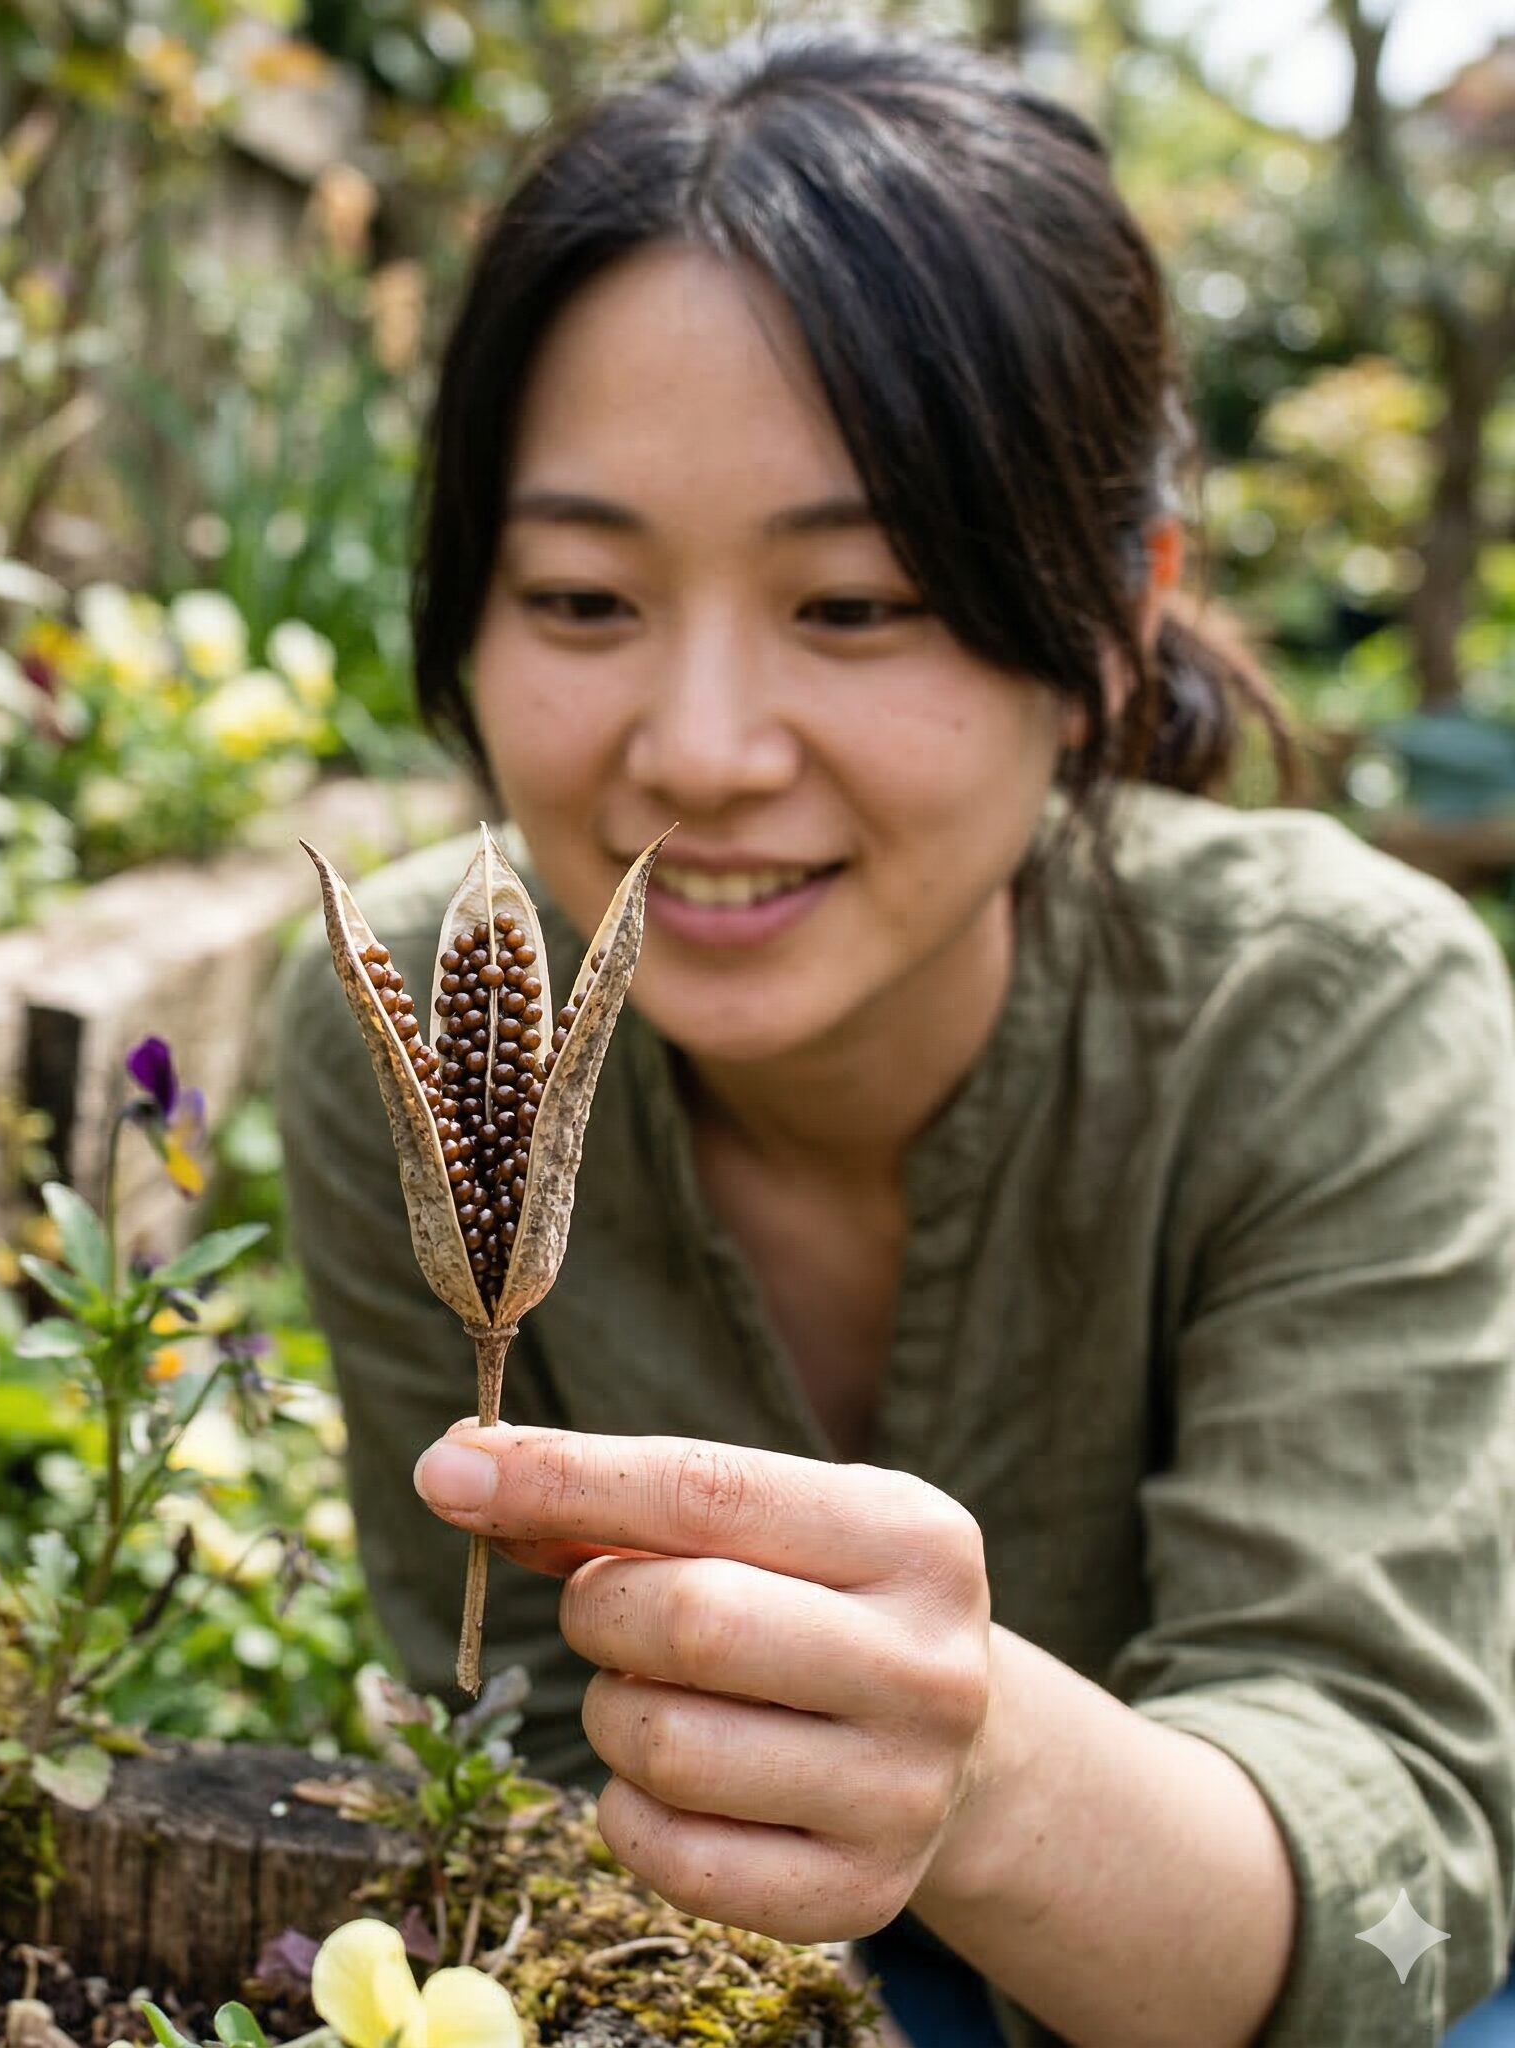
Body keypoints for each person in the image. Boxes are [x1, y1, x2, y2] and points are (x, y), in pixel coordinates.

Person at [274, 24, 1515, 2047]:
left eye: (851, 604)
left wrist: (984, 1777)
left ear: (1114, 622)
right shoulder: (402, 1024)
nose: (696, 750)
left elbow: (1392, 1875)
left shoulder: (1327, 1017)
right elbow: (503, 1756)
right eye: (583, 596)